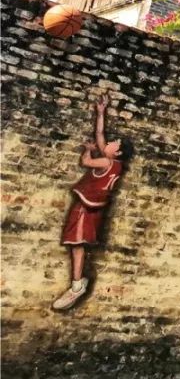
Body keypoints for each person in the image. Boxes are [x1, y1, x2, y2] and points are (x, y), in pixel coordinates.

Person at [53, 92, 134, 311]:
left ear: (116, 153)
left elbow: (86, 161)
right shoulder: (113, 163)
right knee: (77, 245)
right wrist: (101, 112)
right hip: (92, 207)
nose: (108, 143)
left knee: (76, 243)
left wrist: (87, 151)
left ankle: (77, 285)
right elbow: (100, 133)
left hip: (86, 207)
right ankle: (77, 283)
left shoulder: (106, 163)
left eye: (113, 144)